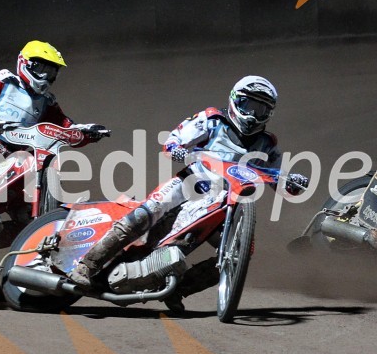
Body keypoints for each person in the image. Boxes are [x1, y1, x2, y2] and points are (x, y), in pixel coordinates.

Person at [68, 75, 309, 311]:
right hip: (190, 182)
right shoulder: (212, 119)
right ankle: (87, 266)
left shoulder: (268, 143)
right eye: (249, 106)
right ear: (236, 101)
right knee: (145, 213)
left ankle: (179, 289)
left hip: (225, 202)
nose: (253, 115)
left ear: (270, 113)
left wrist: (292, 182)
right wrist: (178, 150)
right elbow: (173, 141)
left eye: (261, 109)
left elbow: (280, 179)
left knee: (242, 252)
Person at [0, 40, 106, 223]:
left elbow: (65, 127)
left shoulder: (47, 102)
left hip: (19, 159)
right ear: (25, 63)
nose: (45, 76)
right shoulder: (0, 81)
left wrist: (88, 131)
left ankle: (30, 235)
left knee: (25, 212)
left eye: (51, 72)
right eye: (42, 69)